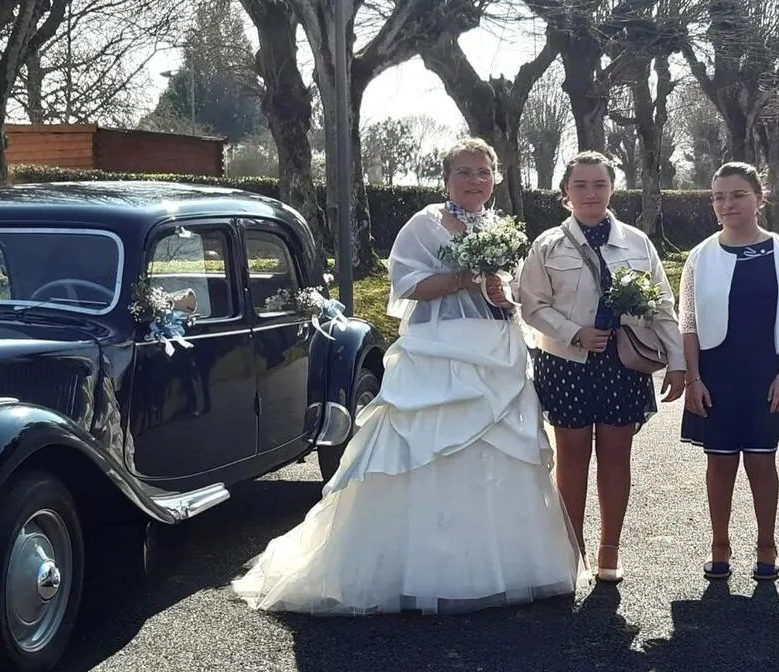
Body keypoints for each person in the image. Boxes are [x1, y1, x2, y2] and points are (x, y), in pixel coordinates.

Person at [232, 138, 583, 615]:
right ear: (447, 178)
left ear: (496, 176)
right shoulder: (425, 223)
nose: (474, 180)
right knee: (427, 447)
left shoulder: (502, 226)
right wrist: (464, 277)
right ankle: (420, 566)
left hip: (496, 349)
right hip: (438, 349)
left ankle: (497, 562)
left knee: (497, 449)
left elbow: (509, 290)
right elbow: (407, 286)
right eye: (464, 171)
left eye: (483, 171)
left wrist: (502, 294)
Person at [517, 150, 686, 583]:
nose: (590, 193)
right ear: (565, 194)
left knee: (616, 457)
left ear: (612, 189)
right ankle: (572, 551)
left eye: (599, 185)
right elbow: (532, 305)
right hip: (566, 363)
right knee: (572, 459)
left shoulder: (636, 242)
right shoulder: (548, 245)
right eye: (580, 185)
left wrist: (677, 363)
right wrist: (574, 332)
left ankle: (610, 551)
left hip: (623, 363)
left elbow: (663, 303)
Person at [678, 162, 779, 582]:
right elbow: (689, 324)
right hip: (716, 374)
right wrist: (694, 379)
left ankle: (766, 545)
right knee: (719, 463)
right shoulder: (700, 257)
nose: (727, 204)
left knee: (761, 460)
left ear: (760, 198)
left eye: (737, 195)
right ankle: (719, 545)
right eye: (718, 196)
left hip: (767, 374)